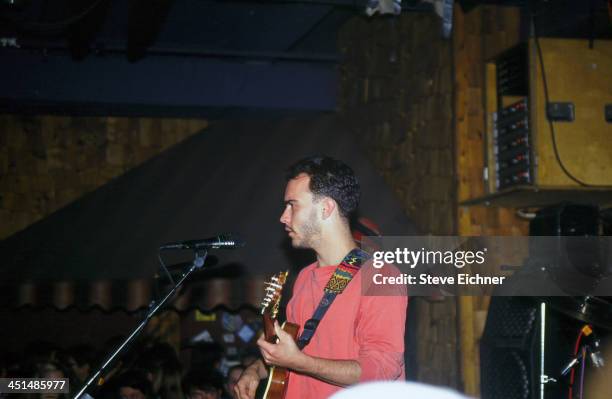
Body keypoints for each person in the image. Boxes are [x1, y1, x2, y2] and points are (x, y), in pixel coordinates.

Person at [235, 156, 408, 399]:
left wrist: (301, 362)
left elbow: (382, 370)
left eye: (292, 205)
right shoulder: (305, 277)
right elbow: (296, 353)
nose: (283, 217)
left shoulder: (380, 276)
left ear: (326, 208)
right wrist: (255, 370)